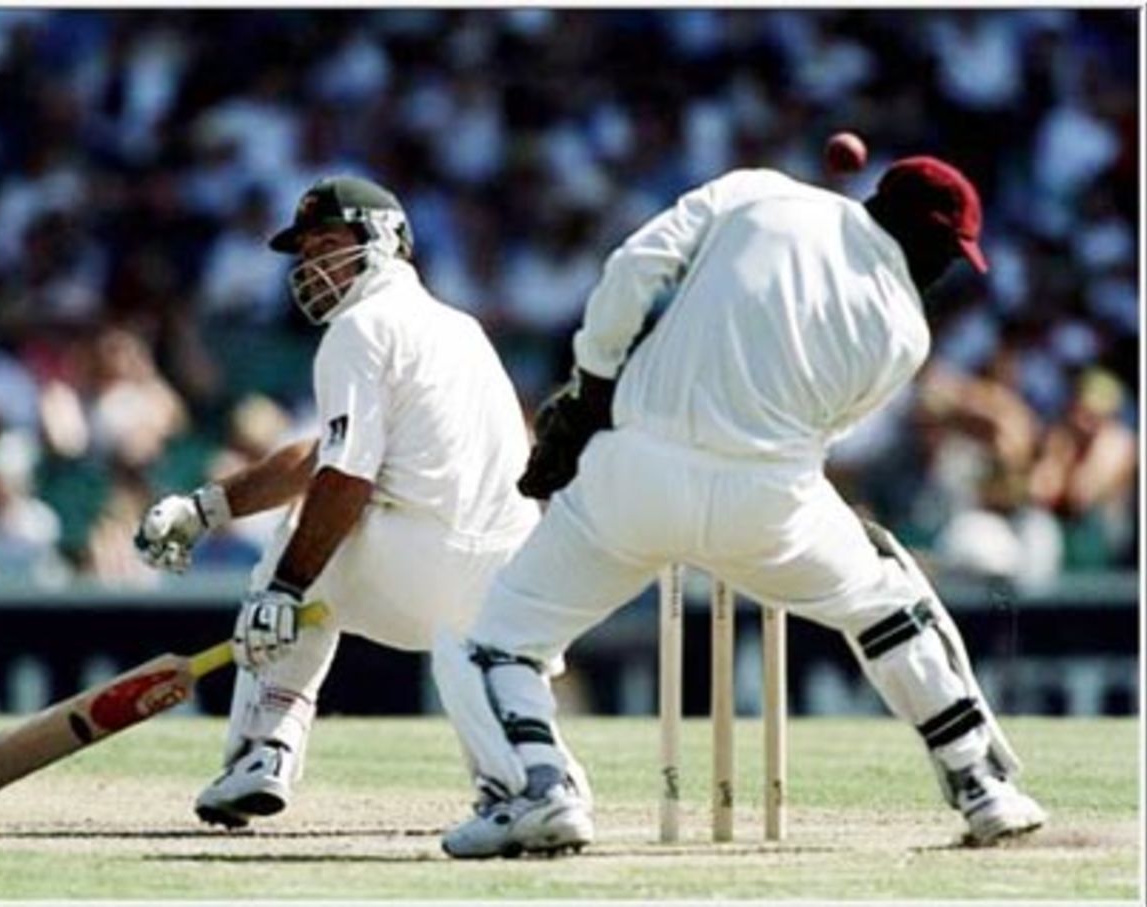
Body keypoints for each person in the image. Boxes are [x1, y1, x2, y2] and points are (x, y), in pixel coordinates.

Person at [429, 157, 1049, 858]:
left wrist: (591, 386)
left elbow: (635, 266)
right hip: (772, 501)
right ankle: (981, 782)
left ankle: (537, 789)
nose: (943, 268)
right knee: (889, 598)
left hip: (634, 476)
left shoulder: (759, 192)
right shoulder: (906, 334)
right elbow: (825, 431)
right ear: (926, 241)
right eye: (947, 251)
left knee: (494, 641)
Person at [134, 175, 586, 828]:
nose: (313, 262)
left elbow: (345, 478)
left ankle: (265, 748)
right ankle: (536, 780)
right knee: (491, 682)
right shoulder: (458, 325)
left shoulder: (359, 327)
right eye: (306, 251)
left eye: (327, 242)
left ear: (385, 238)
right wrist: (208, 507)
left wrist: (284, 588)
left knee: (301, 537)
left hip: (426, 565)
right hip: (514, 575)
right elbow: (327, 451)